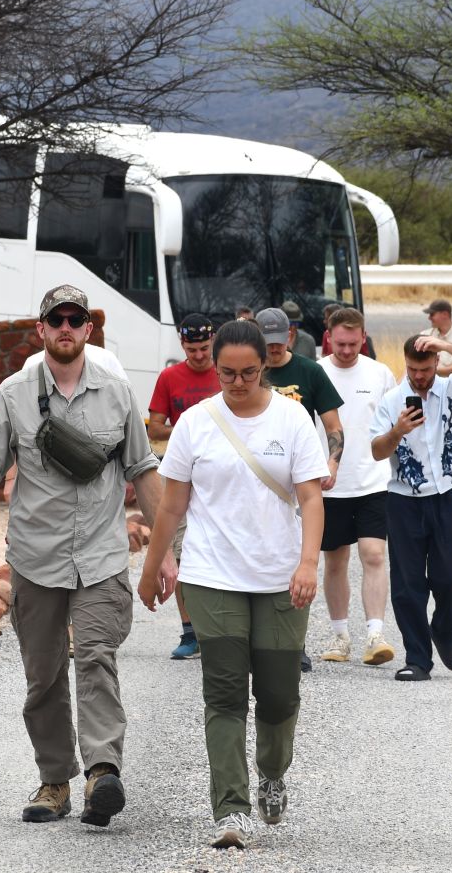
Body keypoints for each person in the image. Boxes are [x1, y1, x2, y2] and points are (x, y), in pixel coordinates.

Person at [0, 284, 171, 828]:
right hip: (35, 556)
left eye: (74, 319)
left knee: (96, 657)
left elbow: (142, 470)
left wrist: (166, 548)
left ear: (88, 329)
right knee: (45, 676)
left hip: (101, 556)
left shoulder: (118, 391)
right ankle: (54, 781)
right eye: (55, 319)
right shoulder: (13, 392)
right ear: (41, 329)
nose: (65, 327)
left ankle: (103, 773)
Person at [136, 319, 326, 851]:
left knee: (278, 694)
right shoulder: (196, 423)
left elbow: (311, 497)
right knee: (223, 694)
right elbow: (172, 503)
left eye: (247, 373)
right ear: (214, 369)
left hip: (279, 576)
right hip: (212, 573)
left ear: (265, 366)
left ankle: (272, 772)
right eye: (226, 374)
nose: (237, 383)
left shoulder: (291, 420)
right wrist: (152, 569)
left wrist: (308, 562)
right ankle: (231, 808)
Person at [368, 332, 452, 682]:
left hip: (451, 496)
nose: (418, 376)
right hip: (403, 499)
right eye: (412, 369)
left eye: (424, 368)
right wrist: (397, 431)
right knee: (408, 585)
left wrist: (447, 346)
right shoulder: (393, 400)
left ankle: (445, 631)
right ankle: (417, 659)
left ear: (435, 364)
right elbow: (377, 450)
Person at [256, 305, 344, 674]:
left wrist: (332, 462)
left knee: (298, 560)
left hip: (298, 477)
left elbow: (334, 425)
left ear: (290, 336)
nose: (274, 349)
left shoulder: (310, 371)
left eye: (279, 342)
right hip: (259, 474)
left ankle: (295, 642)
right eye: (267, 343)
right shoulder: (249, 372)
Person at [315, 307, 398, 666]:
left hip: (373, 480)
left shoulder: (380, 373)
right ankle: (339, 635)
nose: (347, 350)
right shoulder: (315, 372)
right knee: (335, 560)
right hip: (328, 482)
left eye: (353, 343)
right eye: (340, 343)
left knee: (374, 555)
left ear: (363, 338)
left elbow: (393, 424)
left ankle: (376, 633)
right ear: (328, 338)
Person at [147, 313, 221, 660]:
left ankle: (221, 630)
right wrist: (188, 429)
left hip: (219, 475)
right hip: (178, 473)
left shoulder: (224, 373)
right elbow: (154, 428)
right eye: (192, 350)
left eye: (205, 349)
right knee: (181, 553)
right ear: (182, 346)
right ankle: (190, 632)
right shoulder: (169, 377)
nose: (199, 356)